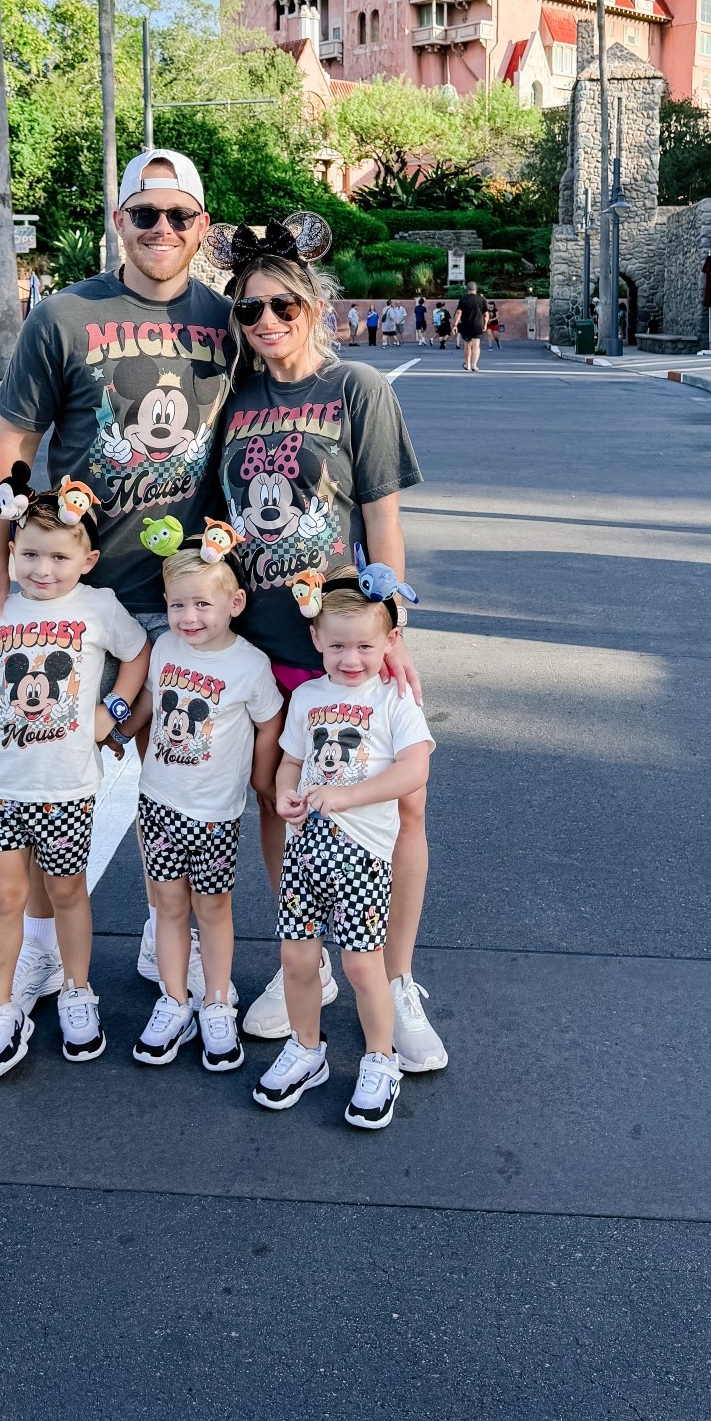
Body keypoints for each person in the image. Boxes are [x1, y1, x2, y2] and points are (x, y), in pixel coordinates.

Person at [0, 149, 233, 1020]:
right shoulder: (67, 315)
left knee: (174, 772)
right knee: (44, 769)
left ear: (202, 227)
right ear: (119, 220)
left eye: (178, 216)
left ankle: (166, 927)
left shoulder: (227, 322)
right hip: (73, 591)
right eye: (143, 214)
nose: (161, 230)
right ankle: (38, 946)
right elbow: (10, 449)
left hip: (185, 592)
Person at [207, 209, 448, 1072]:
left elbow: (382, 521)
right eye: (248, 310)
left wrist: (396, 634)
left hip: (343, 638)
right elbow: (212, 521)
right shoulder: (232, 403)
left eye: (283, 306)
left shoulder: (357, 391)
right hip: (261, 638)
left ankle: (397, 973)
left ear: (315, 307)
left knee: (401, 801)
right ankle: (306, 956)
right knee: (282, 797)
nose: (265, 323)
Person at [0, 489, 150, 1080]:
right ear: (12, 552)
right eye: (30, 554)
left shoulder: (98, 607)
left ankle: (77, 989)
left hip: (68, 787)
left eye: (59, 558)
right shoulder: (0, 608)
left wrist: (112, 710)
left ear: (86, 559)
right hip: (3, 787)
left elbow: (137, 656)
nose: (42, 569)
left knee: (66, 893)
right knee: (5, 898)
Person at [253, 571, 433, 1130]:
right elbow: (289, 759)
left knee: (361, 966)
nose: (350, 658)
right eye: (337, 645)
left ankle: (381, 1061)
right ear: (316, 642)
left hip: (363, 858)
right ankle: (308, 1050)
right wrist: (286, 792)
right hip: (305, 853)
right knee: (297, 960)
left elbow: (414, 768)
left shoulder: (393, 699)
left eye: (364, 645)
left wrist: (348, 796)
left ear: (389, 642)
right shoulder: (308, 697)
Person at [121, 540, 284, 1073]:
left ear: (235, 603)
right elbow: (147, 699)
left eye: (202, 604)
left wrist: (263, 778)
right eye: (177, 604)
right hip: (160, 805)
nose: (188, 617)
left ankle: (216, 1002)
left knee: (212, 909)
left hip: (215, 814)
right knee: (168, 908)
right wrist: (118, 727)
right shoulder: (164, 648)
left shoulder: (250, 665)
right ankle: (175, 1001)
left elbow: (269, 723)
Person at [455, 281, 487, 372]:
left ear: (467, 289)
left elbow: (458, 312)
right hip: (477, 325)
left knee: (467, 345)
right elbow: (486, 314)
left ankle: (467, 364)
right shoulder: (482, 299)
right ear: (476, 289)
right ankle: (474, 365)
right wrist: (485, 324)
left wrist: (455, 325)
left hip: (466, 325)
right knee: (476, 345)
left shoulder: (463, 299)